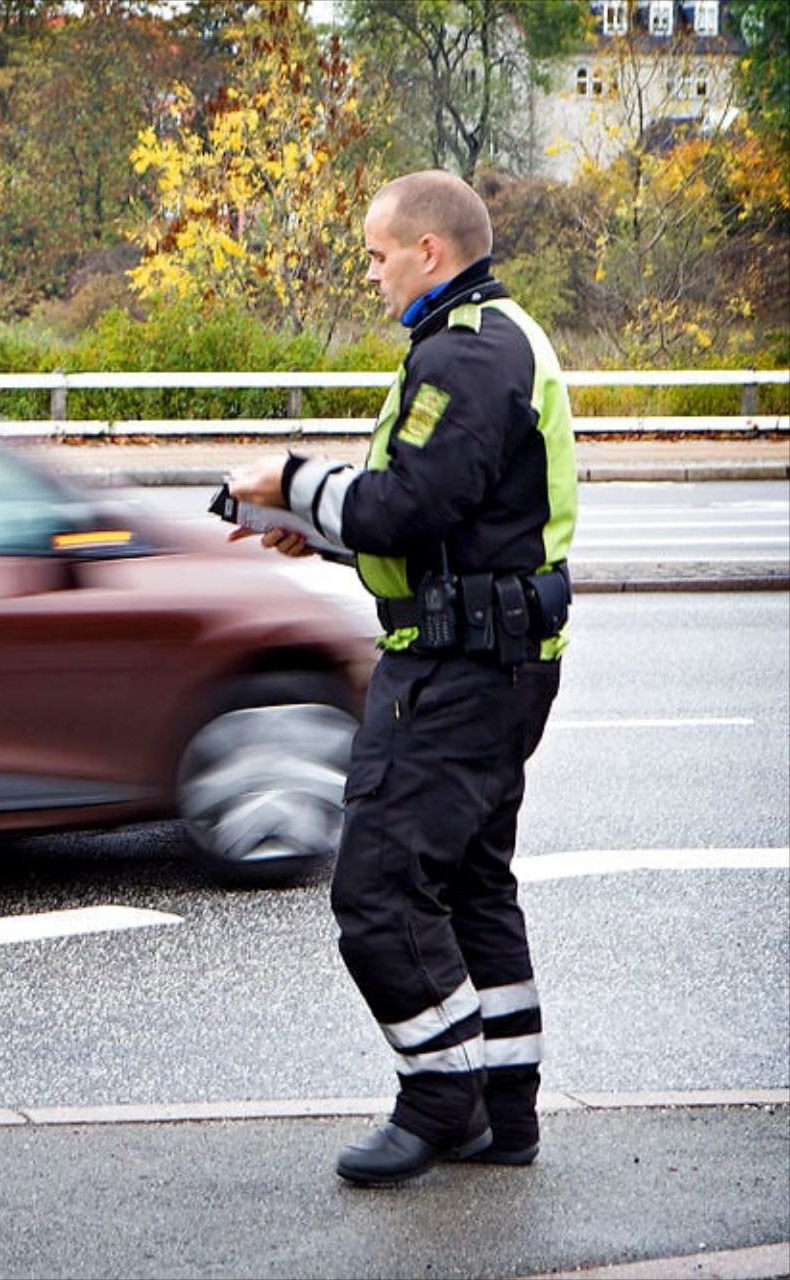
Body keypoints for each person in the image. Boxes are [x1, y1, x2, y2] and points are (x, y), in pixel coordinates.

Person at [226, 169, 577, 1187]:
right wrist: (324, 538)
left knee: (379, 888)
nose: (370, 273)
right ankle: (504, 1111)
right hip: (491, 659)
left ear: (431, 251)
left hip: (457, 673)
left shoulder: (467, 353)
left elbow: (406, 507)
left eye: (378, 254)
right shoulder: (492, 337)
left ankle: (440, 1099)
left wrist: (291, 484)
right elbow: (454, 523)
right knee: (469, 886)